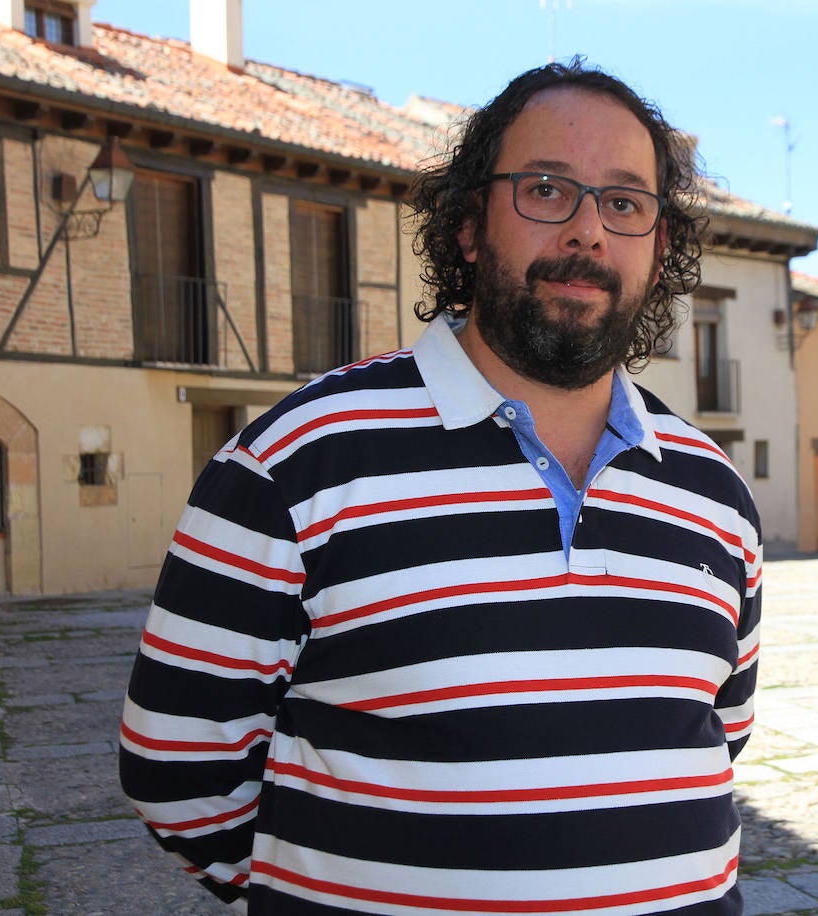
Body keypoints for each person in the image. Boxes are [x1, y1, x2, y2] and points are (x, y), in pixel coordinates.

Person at [119, 60, 762, 915]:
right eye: (545, 189)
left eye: (624, 202)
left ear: (659, 244)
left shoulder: (714, 492)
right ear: (467, 226)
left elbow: (714, 734)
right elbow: (178, 764)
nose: (588, 232)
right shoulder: (292, 464)